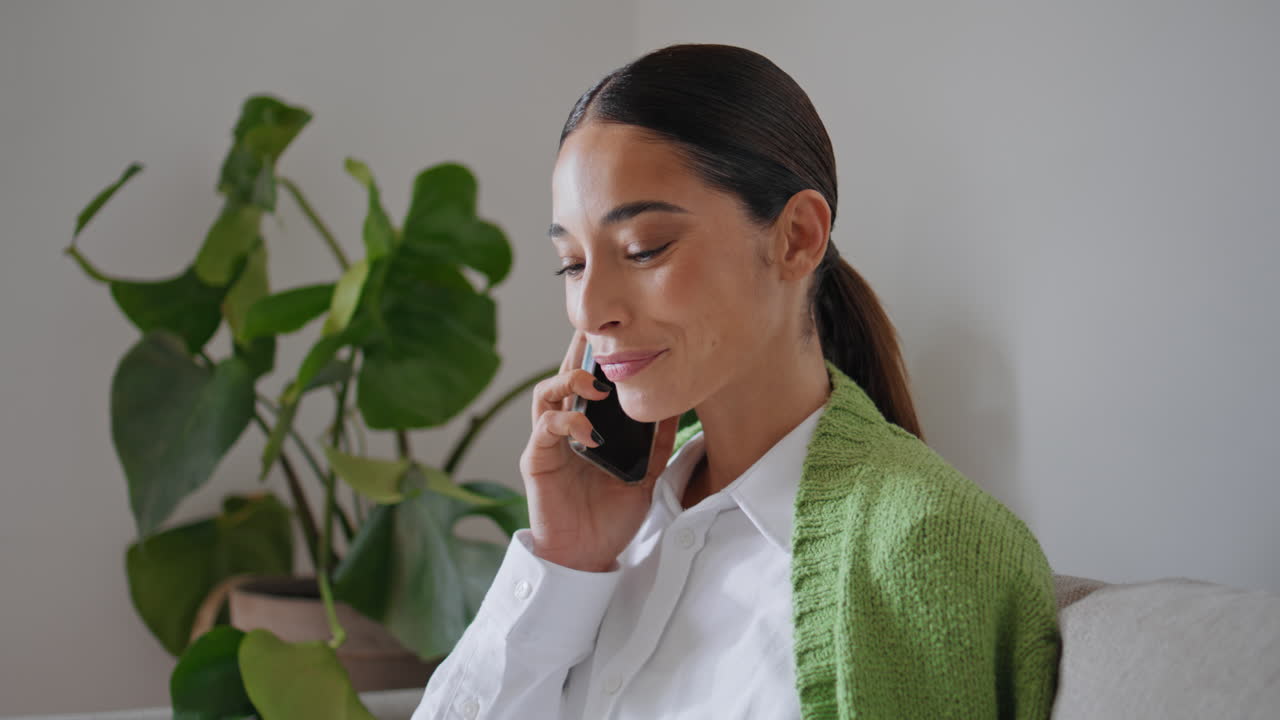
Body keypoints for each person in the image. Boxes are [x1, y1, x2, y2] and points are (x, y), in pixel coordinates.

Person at [411, 43, 1061, 720]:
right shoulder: (617, 531)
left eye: (643, 249)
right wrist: (564, 561)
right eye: (571, 264)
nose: (590, 308)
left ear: (797, 238)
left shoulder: (924, 546)